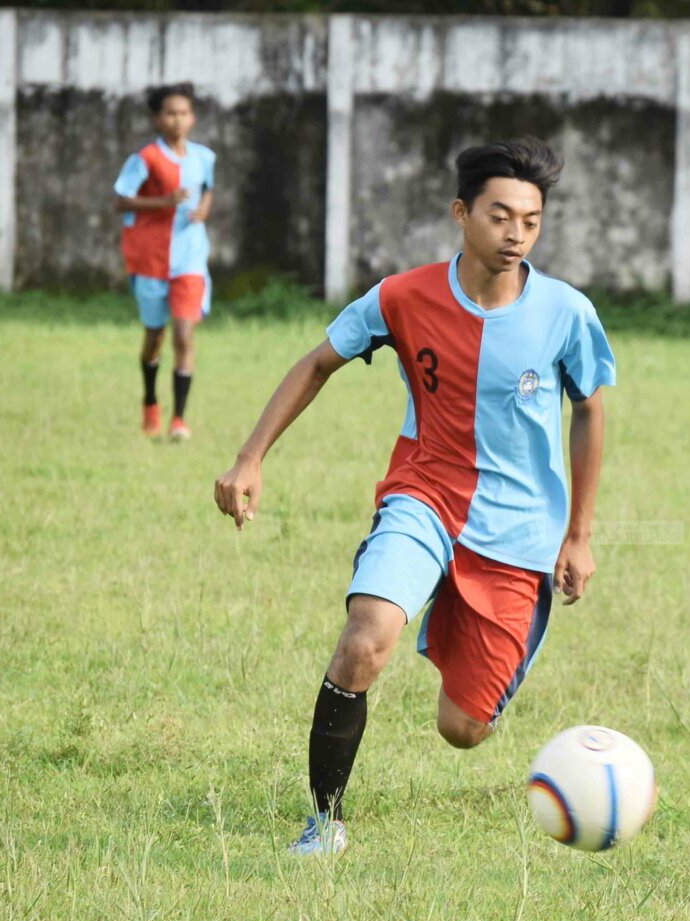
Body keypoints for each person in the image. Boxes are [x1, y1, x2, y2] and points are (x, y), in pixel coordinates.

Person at [213, 138, 615, 856]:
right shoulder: (402, 296)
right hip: (423, 496)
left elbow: (590, 410)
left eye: (531, 219)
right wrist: (250, 458)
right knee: (365, 640)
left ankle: (467, 635)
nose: (516, 233)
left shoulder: (566, 312)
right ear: (462, 214)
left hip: (520, 532)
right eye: (500, 216)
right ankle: (324, 822)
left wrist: (578, 535)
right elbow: (317, 363)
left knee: (463, 730)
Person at [113, 83, 215, 442]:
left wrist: (204, 208)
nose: (178, 120)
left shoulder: (204, 157)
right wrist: (164, 202)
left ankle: (179, 420)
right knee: (155, 336)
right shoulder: (145, 159)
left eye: (184, 112)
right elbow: (121, 200)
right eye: (170, 113)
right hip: (151, 260)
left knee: (184, 334)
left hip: (190, 260)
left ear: (193, 117)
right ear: (157, 118)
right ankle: (150, 402)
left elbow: (207, 190)